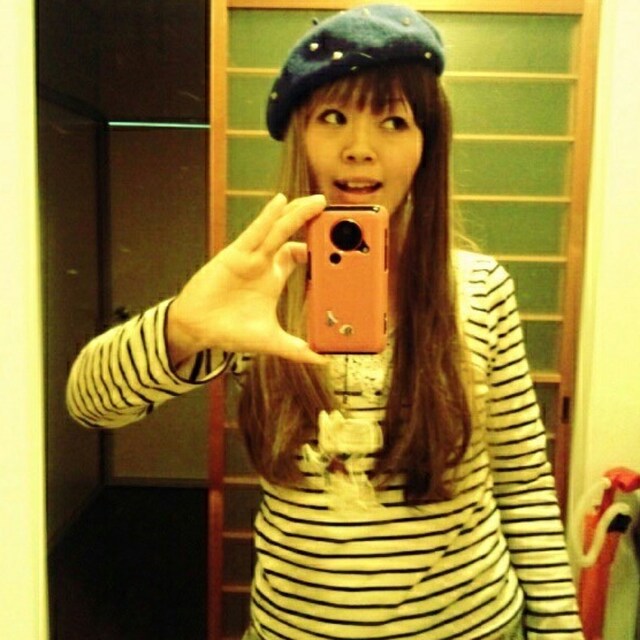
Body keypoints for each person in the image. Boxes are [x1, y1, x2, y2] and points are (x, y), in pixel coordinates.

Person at [66, 4, 584, 639]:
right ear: (301, 139)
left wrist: (560, 631)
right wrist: (183, 328)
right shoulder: (257, 297)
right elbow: (89, 405)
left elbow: (524, 485)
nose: (360, 148)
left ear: (427, 146)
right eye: (333, 118)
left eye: (394, 121)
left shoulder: (479, 289)